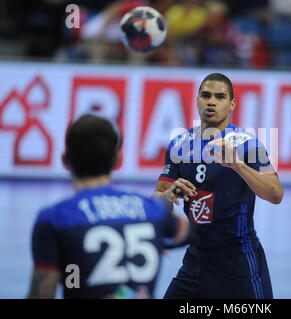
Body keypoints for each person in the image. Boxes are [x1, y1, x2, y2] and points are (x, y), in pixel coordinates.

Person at [27, 114, 188, 299]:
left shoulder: (54, 219)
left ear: (65, 159)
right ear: (118, 159)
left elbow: (42, 293)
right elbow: (191, 234)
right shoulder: (154, 211)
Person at [154, 73, 284, 298]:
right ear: (197, 101)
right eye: (205, 95)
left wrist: (238, 166)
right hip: (196, 259)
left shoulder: (248, 145)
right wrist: (168, 195)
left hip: (239, 261)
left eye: (220, 97)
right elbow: (155, 200)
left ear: (232, 104)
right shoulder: (179, 145)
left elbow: (276, 194)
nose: (211, 101)